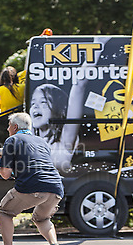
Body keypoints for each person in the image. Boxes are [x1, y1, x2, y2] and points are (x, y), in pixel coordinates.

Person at [0, 113, 64, 245]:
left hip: (33, 185)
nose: (7, 128)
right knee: (42, 218)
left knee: (5, 212)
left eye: (9, 125)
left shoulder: (12, 140)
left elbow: (5, 174)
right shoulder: (42, 141)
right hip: (55, 187)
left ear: (15, 127)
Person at [29, 37, 108, 172]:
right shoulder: (31, 137)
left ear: (57, 109)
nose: (36, 107)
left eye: (43, 102)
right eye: (33, 103)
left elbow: (79, 86)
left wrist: (99, 44)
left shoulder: (65, 140)